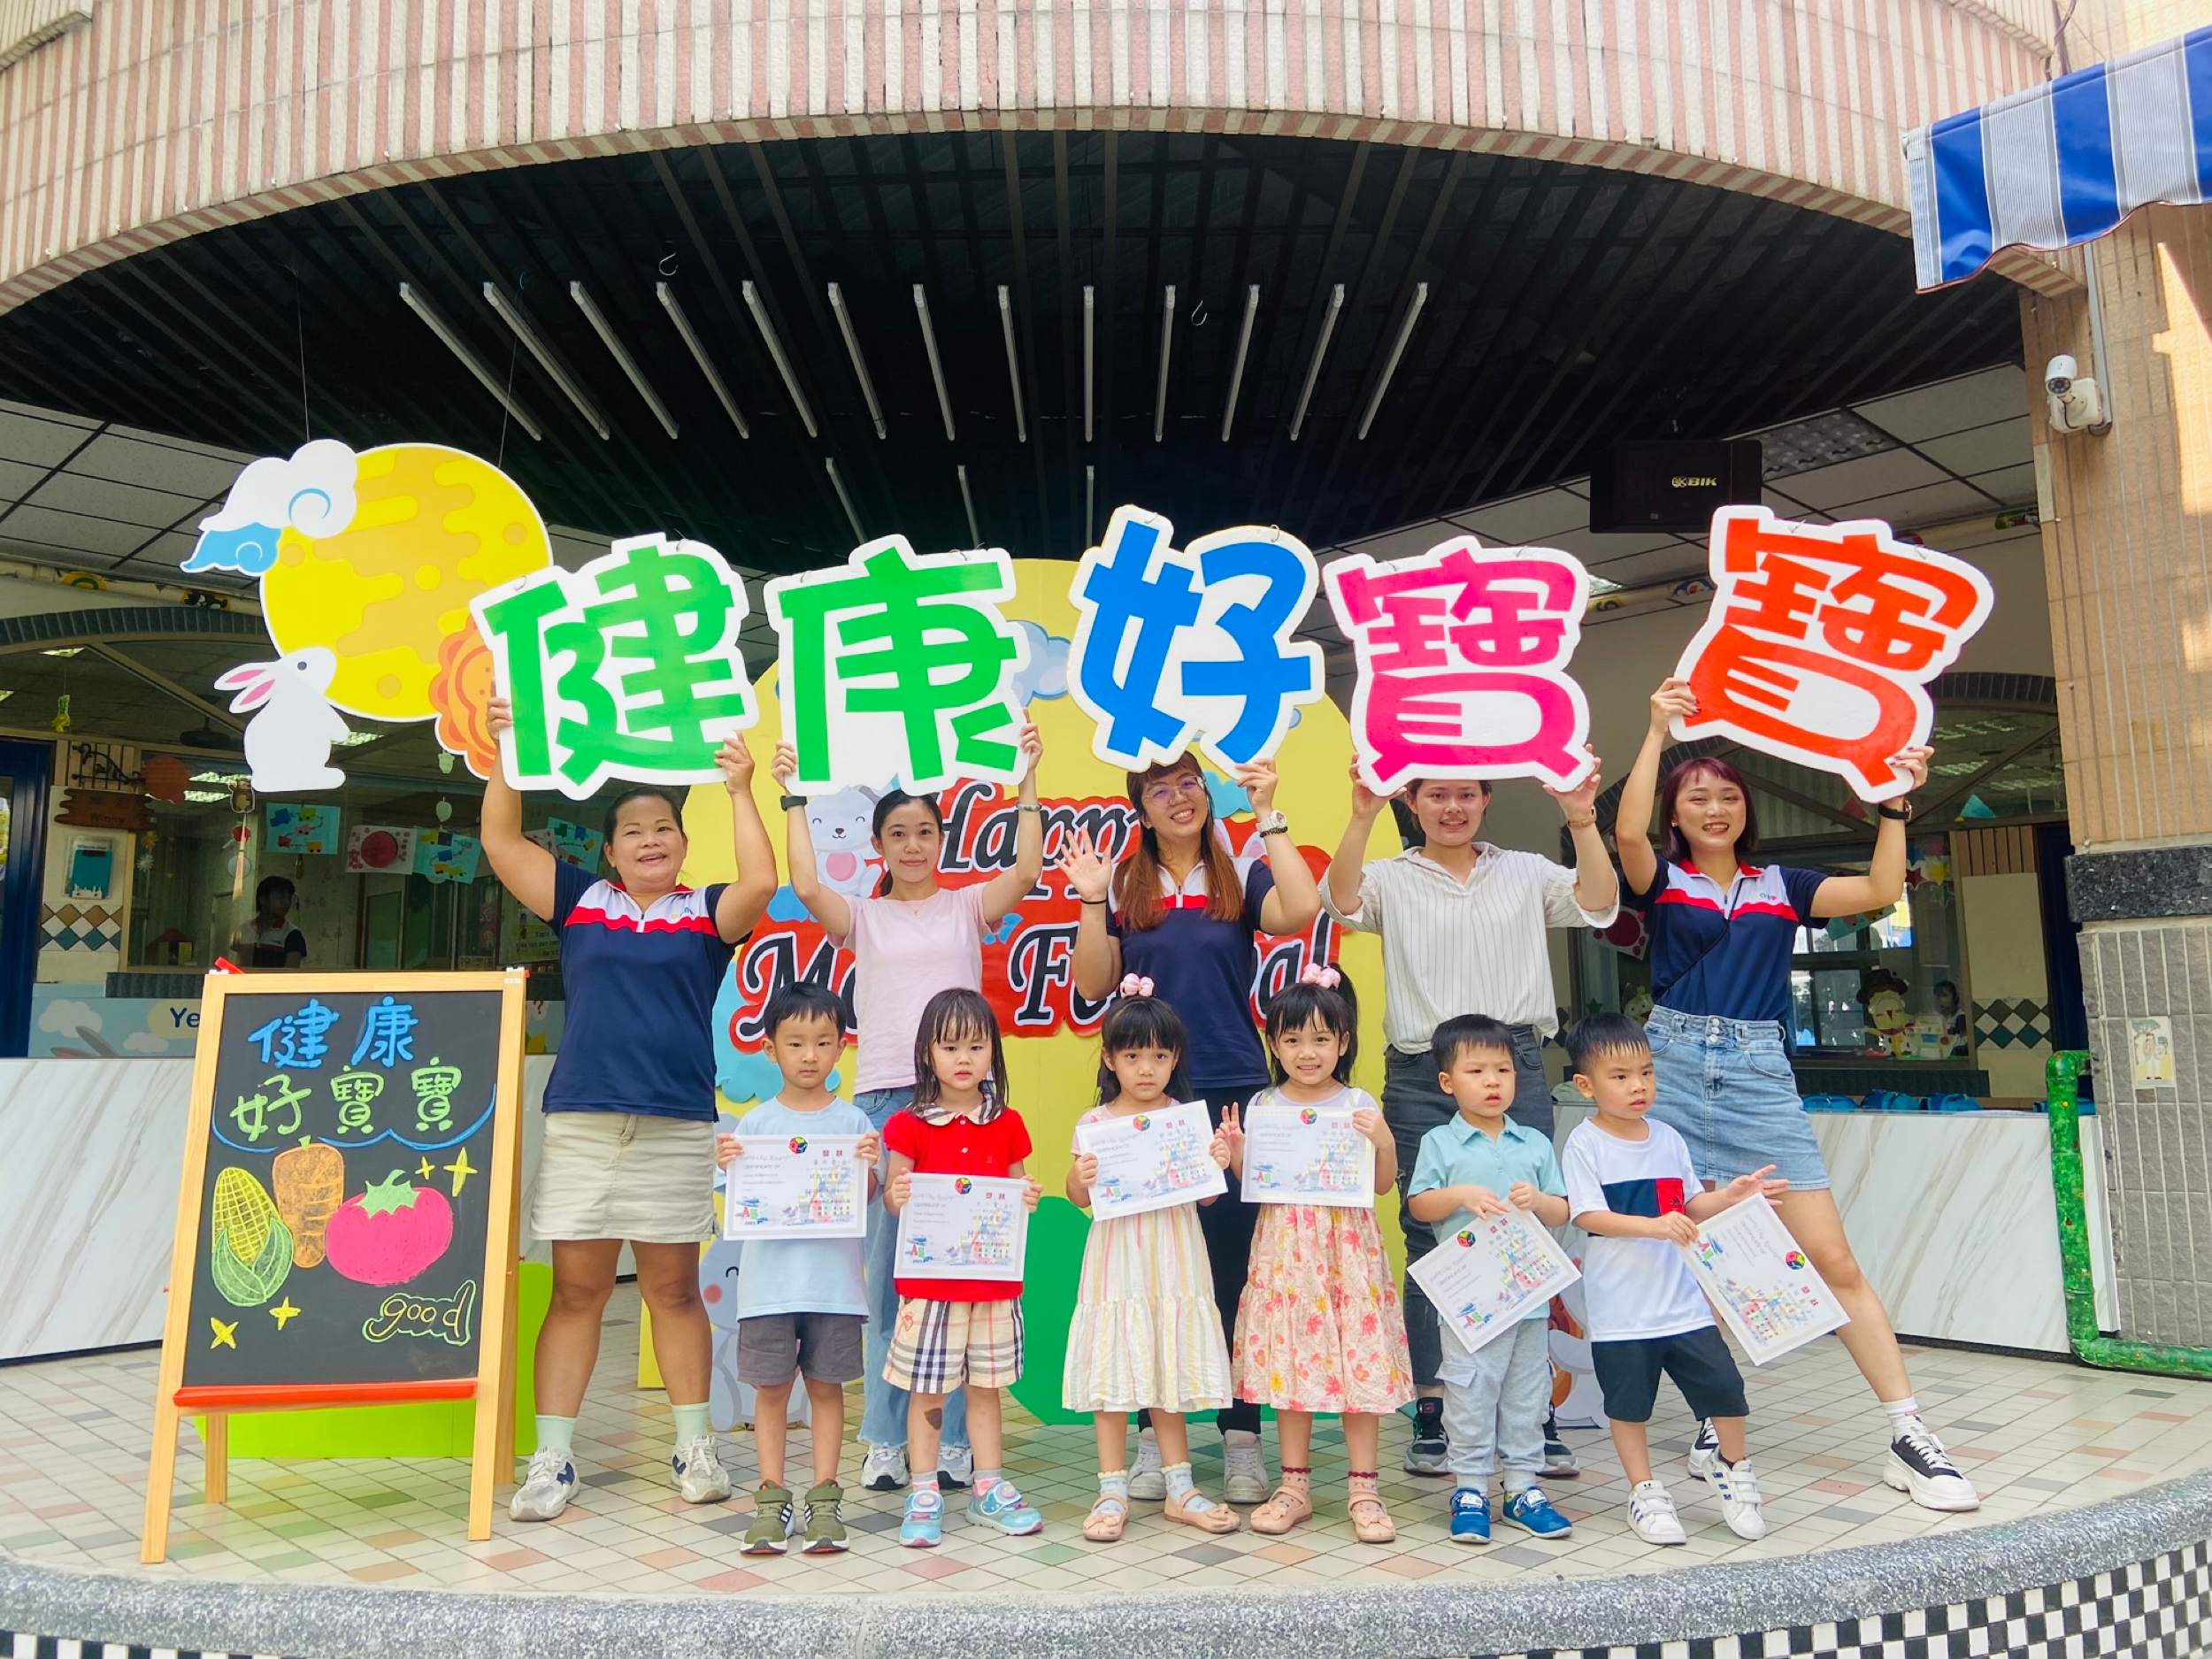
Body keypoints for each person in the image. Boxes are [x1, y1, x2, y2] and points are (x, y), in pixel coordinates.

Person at [1617, 678, 1978, 1512]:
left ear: (1746, 810)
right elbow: (1626, 832)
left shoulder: (1782, 883)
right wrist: (1656, 729)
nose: (1714, 808)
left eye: (1727, 796)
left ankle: (1909, 1432)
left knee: (1832, 1258)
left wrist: (1893, 804)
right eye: (1696, 797)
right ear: (1677, 815)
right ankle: (1713, 1420)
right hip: (1670, 1071)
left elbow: (1880, 890)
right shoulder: (1662, 879)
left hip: (1757, 1075)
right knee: (1696, 1253)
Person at [481, 701, 779, 1523]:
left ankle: (694, 1448)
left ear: (683, 843)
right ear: (609, 851)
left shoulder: (705, 911)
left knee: (673, 1291)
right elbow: (501, 842)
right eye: (634, 831)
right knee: (577, 1292)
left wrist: (742, 788)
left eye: (665, 828)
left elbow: (761, 883)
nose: (651, 839)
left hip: (677, 1122)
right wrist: (506, 746)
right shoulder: (579, 900)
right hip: (583, 1122)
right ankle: (553, 1459)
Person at [1323, 764, 1617, 1477]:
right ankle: (1435, 1405)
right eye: (1436, 794)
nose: (1452, 807)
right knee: (1429, 1234)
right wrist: (1361, 813)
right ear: (1412, 801)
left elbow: (1600, 903)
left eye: (1465, 794)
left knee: (1526, 1225)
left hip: (1512, 1062)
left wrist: (1582, 817)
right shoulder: (1391, 876)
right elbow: (1341, 901)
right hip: (1424, 1067)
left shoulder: (1526, 870)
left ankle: (1532, 1411)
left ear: (1486, 799)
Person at [773, 725, 1044, 1496]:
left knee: (962, 1276)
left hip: (965, 1107)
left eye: (925, 831)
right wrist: (792, 797)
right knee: (894, 1281)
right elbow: (807, 884)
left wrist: (1027, 777)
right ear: (879, 845)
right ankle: (887, 1439)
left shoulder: (966, 906)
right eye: (898, 834)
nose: (913, 845)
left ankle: (954, 1442)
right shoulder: (864, 915)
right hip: (890, 1103)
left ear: (941, 839)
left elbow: (1027, 868)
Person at [1063, 749, 1322, 1504]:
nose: (1180, 798)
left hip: (1231, 1088)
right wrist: (1090, 900)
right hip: (1147, 1105)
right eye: (1160, 790)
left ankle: (1242, 1438)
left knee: (1234, 1271)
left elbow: (1301, 909)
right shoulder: (1124, 882)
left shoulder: (1239, 871)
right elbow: (1093, 982)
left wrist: (1267, 812)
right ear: (1140, 808)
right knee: (1152, 1270)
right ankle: (1154, 1441)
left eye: (1189, 784)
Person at [1561, 1014, 1781, 1546]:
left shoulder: (1668, 1138)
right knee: (1628, 1406)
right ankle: (1645, 1493)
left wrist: (1731, 1197)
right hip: (1621, 1314)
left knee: (1725, 1390)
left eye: (1646, 1072)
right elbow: (1588, 1215)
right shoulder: (1584, 1144)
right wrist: (1656, 1226)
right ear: (1586, 1085)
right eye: (1620, 1077)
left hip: (1685, 1306)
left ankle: (1732, 1468)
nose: (1638, 1086)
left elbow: (1691, 1205)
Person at [1222, 967, 1413, 1543]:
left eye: (1321, 1039)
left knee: (1359, 1360)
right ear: (1274, 1044)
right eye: (1293, 1039)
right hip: (1285, 1252)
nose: (1307, 1052)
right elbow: (1256, 1182)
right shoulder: (1264, 1103)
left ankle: (1364, 1490)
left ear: (1343, 1042)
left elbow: (1382, 1183)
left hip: (1346, 1254)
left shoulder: (1358, 1102)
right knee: (1290, 1362)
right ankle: (1294, 1487)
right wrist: (1237, 1151)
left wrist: (1384, 1140)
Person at [1064, 982, 1240, 1542]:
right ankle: (1111, 1489)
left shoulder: (1184, 1119)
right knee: (1114, 1369)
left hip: (1175, 1258)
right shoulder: (1095, 1123)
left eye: (1159, 1056)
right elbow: (1078, 1196)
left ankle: (1180, 1489)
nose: (1146, 1068)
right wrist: (1079, 1177)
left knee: (1169, 1366)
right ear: (1110, 1058)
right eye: (1133, 1055)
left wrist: (1219, 1161)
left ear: (1175, 1059)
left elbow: (1206, 1198)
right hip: (1118, 1261)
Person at [712, 983, 880, 1557]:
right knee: (772, 1390)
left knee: (827, 1389)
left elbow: (869, 1196)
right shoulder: (754, 1126)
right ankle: (771, 1500)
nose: (810, 1055)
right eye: (796, 1042)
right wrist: (729, 1163)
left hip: (835, 1287)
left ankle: (825, 1499)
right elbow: (736, 1198)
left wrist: (869, 1168)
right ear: (770, 1049)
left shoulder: (854, 1123)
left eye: (823, 1042)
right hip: (768, 1289)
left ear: (841, 1048)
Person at [880, 988, 1045, 1548]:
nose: (963, 1059)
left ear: (993, 1052)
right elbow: (892, 1200)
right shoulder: (908, 1125)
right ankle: (924, 1490)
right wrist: (899, 1194)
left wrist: (1026, 1196)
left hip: (992, 1286)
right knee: (927, 1393)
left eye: (976, 1046)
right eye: (950, 1047)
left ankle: (988, 1487)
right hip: (929, 1287)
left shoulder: (1008, 1123)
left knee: (985, 1389)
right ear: (928, 1054)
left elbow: (1017, 1187)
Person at [1405, 1014, 1574, 1547]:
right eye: (1476, 1071)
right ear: (1447, 1082)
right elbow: (1418, 1205)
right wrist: (1458, 1196)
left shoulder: (1534, 1143)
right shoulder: (1440, 1142)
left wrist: (1539, 1200)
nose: (1493, 1081)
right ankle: (1471, 1489)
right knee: (1470, 1393)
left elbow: (1562, 1210)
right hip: (1469, 1303)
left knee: (1528, 1393)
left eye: (1503, 1069)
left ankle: (1523, 1487)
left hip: (1529, 1300)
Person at [231, 875, 306, 969]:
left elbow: (291, 971)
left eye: (289, 898)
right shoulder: (244, 929)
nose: (286, 903)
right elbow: (237, 964)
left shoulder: (292, 934)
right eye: (280, 897)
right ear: (263, 899)